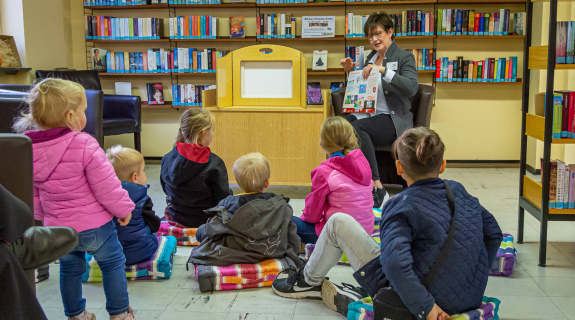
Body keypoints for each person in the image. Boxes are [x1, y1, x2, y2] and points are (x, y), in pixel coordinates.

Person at [272, 128, 503, 320]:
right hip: (469, 296)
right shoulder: (458, 190)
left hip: (420, 301)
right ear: (442, 165)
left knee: (337, 223)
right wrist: (473, 275)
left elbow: (394, 265)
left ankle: (307, 282)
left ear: (399, 167)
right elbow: (493, 233)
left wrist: (428, 308)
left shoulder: (400, 204)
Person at [15, 78, 139, 320]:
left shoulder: (29, 148)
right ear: (71, 116)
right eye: (83, 110)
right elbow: (106, 186)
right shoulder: (84, 144)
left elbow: (34, 193)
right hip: (96, 228)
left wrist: (43, 220)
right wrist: (123, 208)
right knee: (113, 263)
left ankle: (76, 314)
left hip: (58, 229)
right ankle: (120, 314)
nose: (85, 114)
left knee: (69, 270)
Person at [340, 11, 419, 208]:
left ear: (390, 32)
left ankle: (376, 185)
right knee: (339, 126)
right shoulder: (370, 57)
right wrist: (352, 71)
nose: (374, 39)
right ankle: (346, 181)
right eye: (370, 36)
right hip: (370, 113)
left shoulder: (404, 57)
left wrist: (384, 70)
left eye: (378, 34)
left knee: (359, 128)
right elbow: (364, 87)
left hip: (393, 118)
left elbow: (412, 87)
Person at [190, 152, 301, 267]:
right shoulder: (280, 205)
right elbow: (292, 236)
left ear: (238, 182)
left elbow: (213, 229)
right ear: (267, 182)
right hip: (270, 250)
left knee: (202, 230)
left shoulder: (227, 203)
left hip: (234, 250)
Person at [0, 184, 78, 320]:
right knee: (112, 262)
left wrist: (41, 215)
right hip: (96, 223)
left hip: (53, 216)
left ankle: (76, 313)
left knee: (70, 267)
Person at [292, 117, 374, 245]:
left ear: (322, 143)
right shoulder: (363, 163)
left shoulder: (324, 171)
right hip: (366, 232)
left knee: (288, 221)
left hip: (338, 237)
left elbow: (312, 216)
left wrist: (305, 217)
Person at [161, 108, 230, 228]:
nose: (213, 133)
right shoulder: (215, 163)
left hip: (175, 216)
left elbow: (166, 189)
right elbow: (223, 199)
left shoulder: (167, 158)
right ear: (203, 133)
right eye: (212, 130)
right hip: (204, 220)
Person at [106, 145, 161, 266]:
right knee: (152, 234)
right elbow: (154, 225)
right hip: (141, 252)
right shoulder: (142, 199)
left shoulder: (104, 197)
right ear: (135, 177)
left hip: (110, 254)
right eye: (144, 171)